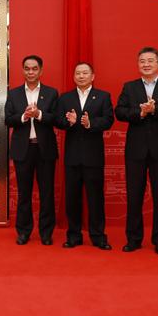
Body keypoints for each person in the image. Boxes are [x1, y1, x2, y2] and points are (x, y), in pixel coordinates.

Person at [114, 47, 158, 255]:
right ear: (138, 65)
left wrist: (155, 109)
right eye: (142, 61)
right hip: (135, 149)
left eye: (150, 61)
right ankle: (133, 239)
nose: (146, 64)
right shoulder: (130, 87)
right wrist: (140, 112)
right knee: (134, 195)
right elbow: (119, 112)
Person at [56, 62, 114, 250]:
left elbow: (108, 120)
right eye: (78, 73)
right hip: (72, 156)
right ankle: (74, 235)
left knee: (95, 198)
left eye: (85, 73)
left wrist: (90, 123)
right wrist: (70, 122)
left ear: (92, 76)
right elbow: (57, 121)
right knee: (72, 198)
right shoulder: (65, 98)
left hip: (93, 156)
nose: (81, 76)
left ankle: (98, 236)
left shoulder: (103, 96)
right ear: (74, 76)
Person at [4, 55, 59, 245]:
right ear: (23, 70)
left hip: (45, 149)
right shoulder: (14, 94)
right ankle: (23, 231)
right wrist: (24, 116)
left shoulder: (51, 93)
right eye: (27, 68)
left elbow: (57, 119)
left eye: (34, 68)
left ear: (41, 71)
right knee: (24, 193)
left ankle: (46, 232)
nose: (30, 72)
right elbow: (7, 119)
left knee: (47, 193)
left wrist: (39, 114)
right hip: (23, 149)